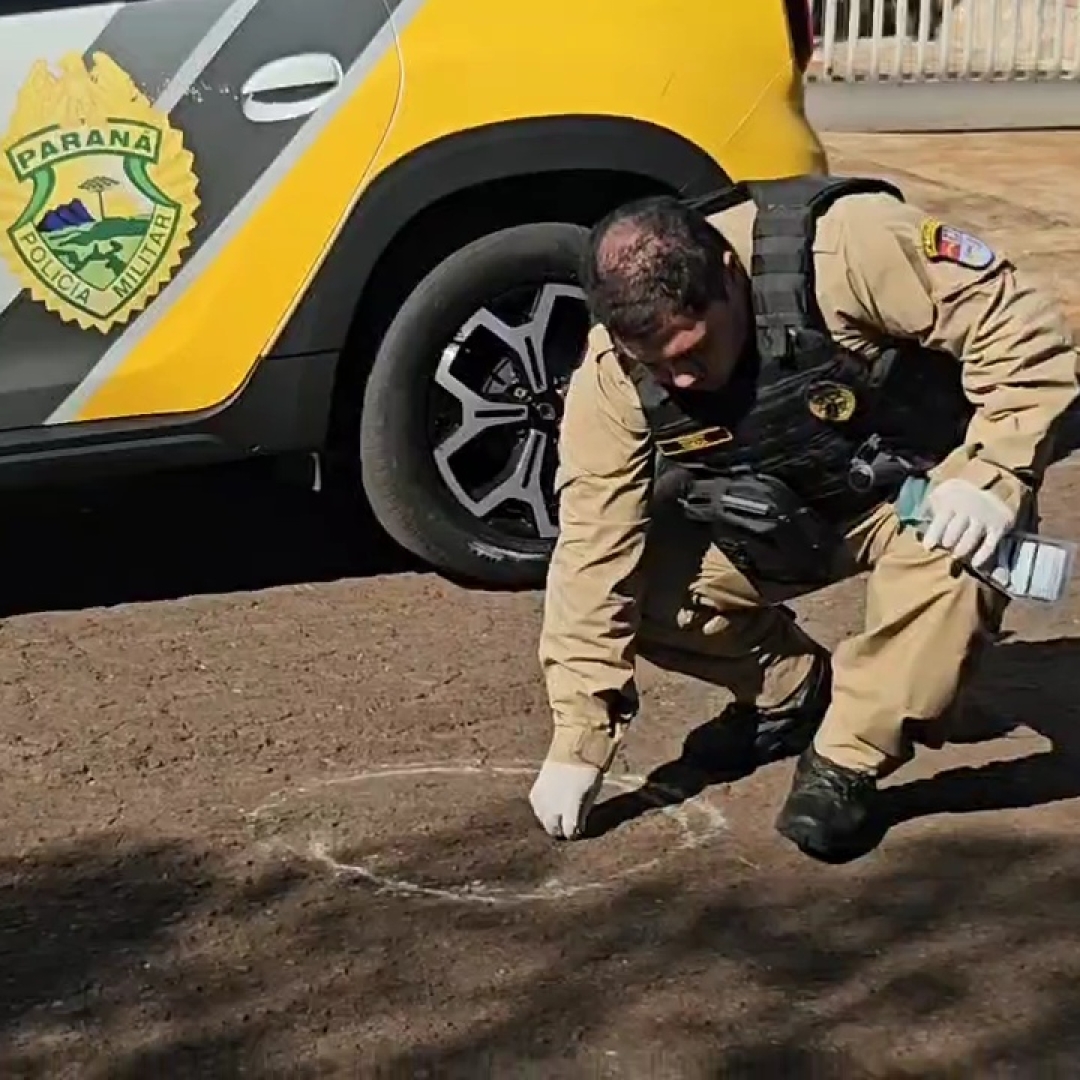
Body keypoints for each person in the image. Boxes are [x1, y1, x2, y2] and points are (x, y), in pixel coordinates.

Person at [528, 174, 1080, 861]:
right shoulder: (612, 374)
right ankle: (791, 692)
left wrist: (992, 472)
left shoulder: (847, 246)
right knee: (639, 583)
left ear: (731, 277)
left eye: (694, 350)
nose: (684, 381)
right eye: (658, 365)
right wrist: (579, 738)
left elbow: (1023, 334)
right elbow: (591, 547)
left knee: (963, 547)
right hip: (783, 517)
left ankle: (846, 759)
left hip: (922, 490)